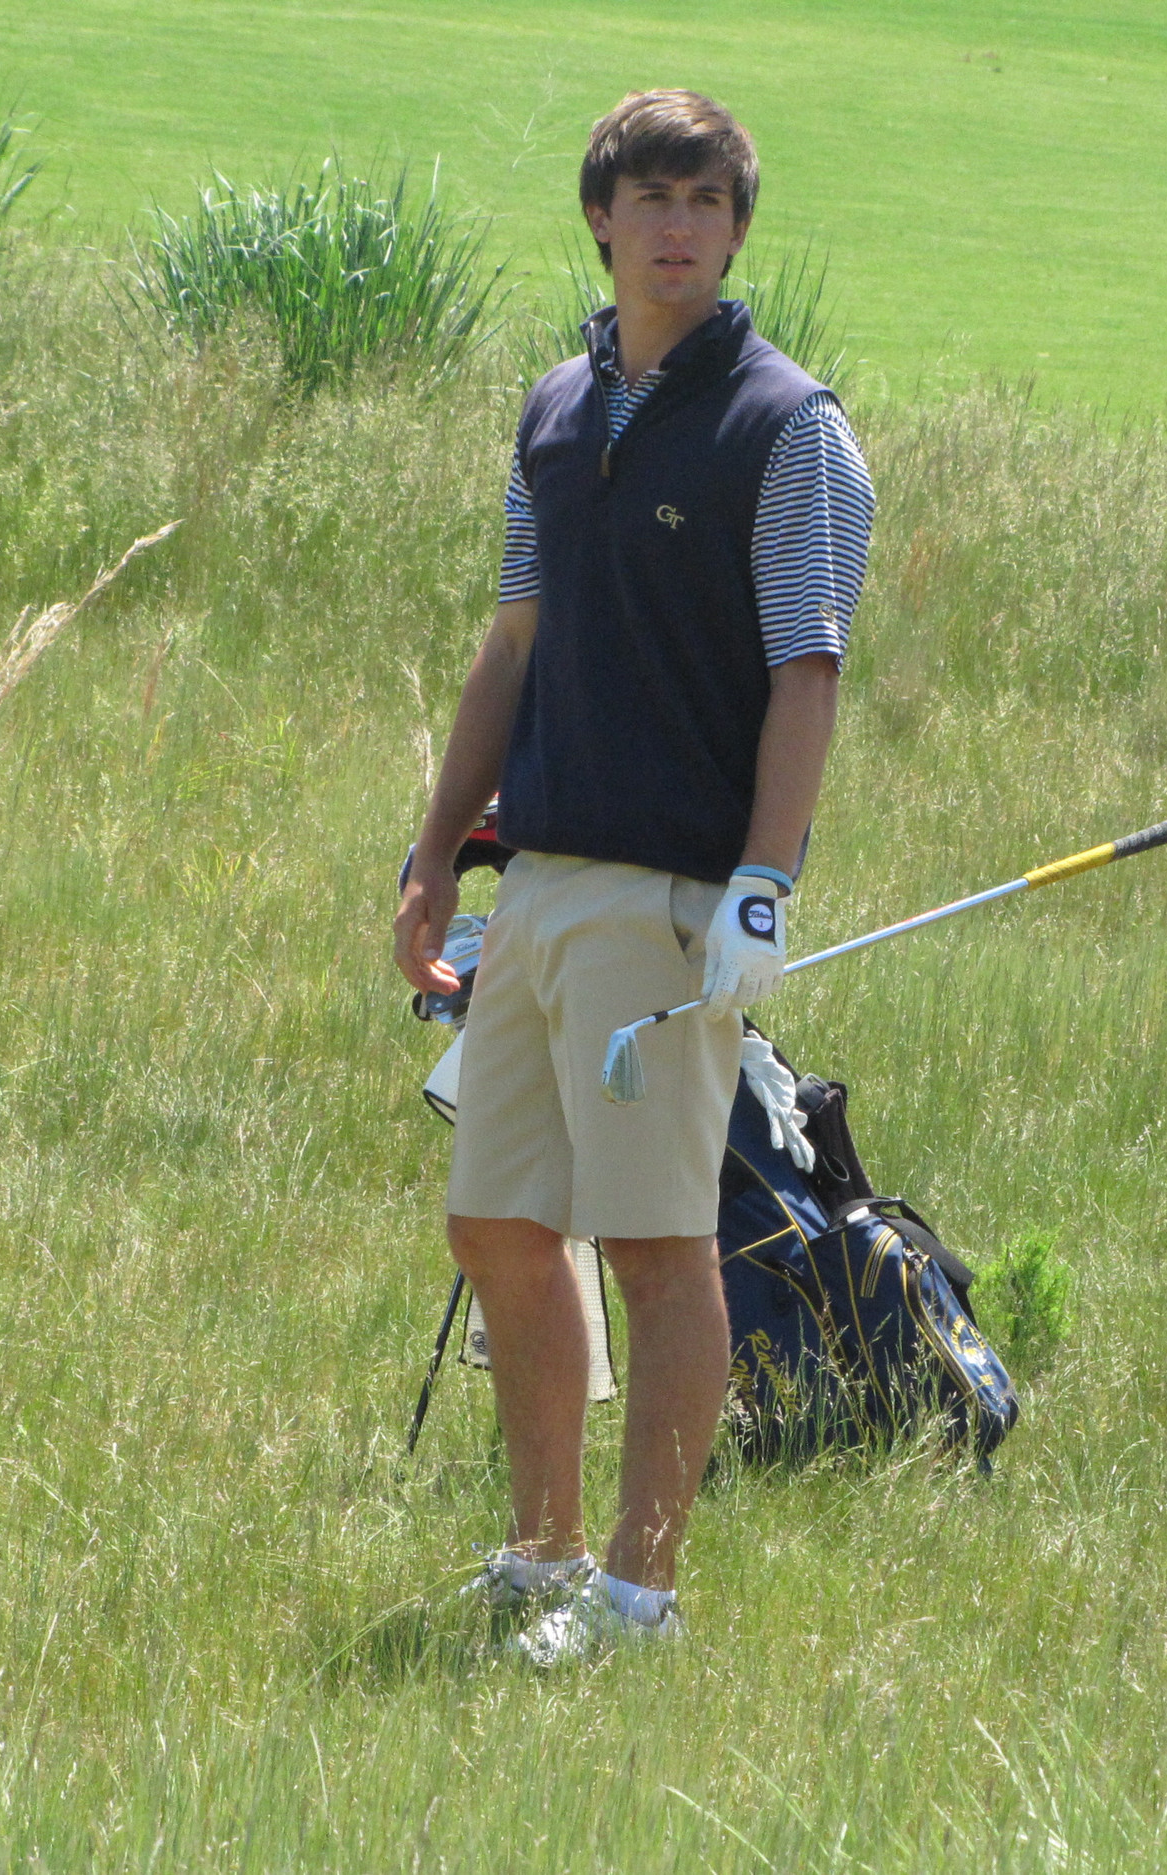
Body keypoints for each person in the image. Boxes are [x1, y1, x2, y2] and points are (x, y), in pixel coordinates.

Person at [391, 88, 874, 1664]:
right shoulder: (554, 408)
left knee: (660, 1247)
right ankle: (539, 1556)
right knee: (500, 1226)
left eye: (709, 205)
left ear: (737, 233)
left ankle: (639, 1595)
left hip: (668, 896)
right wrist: (435, 854)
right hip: (532, 886)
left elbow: (807, 670)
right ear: (601, 220)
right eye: (652, 200)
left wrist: (762, 885)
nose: (680, 228)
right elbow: (513, 644)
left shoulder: (787, 428)